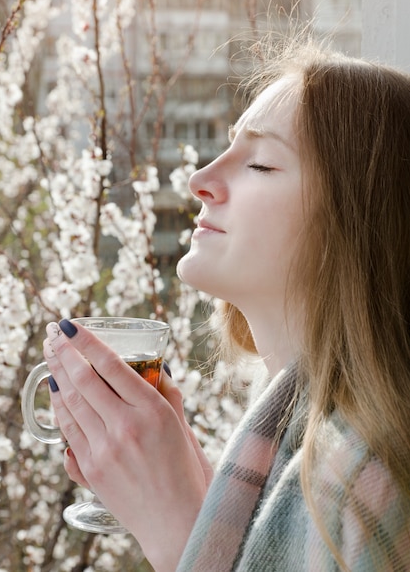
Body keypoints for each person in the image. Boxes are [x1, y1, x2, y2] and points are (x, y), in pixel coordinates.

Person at [43, 37, 410, 571]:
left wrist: (175, 533)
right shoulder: (302, 448)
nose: (200, 180)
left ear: (358, 222)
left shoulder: (367, 481)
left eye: (260, 164)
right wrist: (203, 514)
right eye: (228, 145)